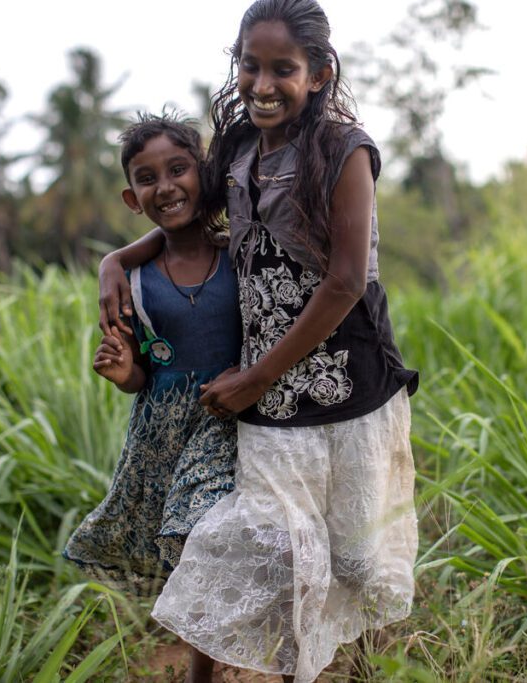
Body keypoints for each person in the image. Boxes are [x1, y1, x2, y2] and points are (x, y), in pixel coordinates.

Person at [98, 1, 419, 680]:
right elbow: (183, 215)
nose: (263, 83)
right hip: (270, 404)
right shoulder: (240, 147)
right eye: (251, 65)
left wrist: (256, 375)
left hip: (350, 387)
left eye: (283, 68)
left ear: (320, 72)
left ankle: (348, 660)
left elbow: (345, 283)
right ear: (236, 66)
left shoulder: (343, 149)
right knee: (267, 544)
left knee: (355, 559)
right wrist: (116, 261)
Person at [64, 112, 240, 682]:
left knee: (207, 532)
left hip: (231, 419)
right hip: (162, 431)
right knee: (190, 557)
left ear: (203, 173)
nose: (165, 187)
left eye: (178, 169)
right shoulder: (135, 282)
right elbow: (144, 370)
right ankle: (202, 669)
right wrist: (124, 373)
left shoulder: (240, 255)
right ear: (131, 197)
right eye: (147, 178)